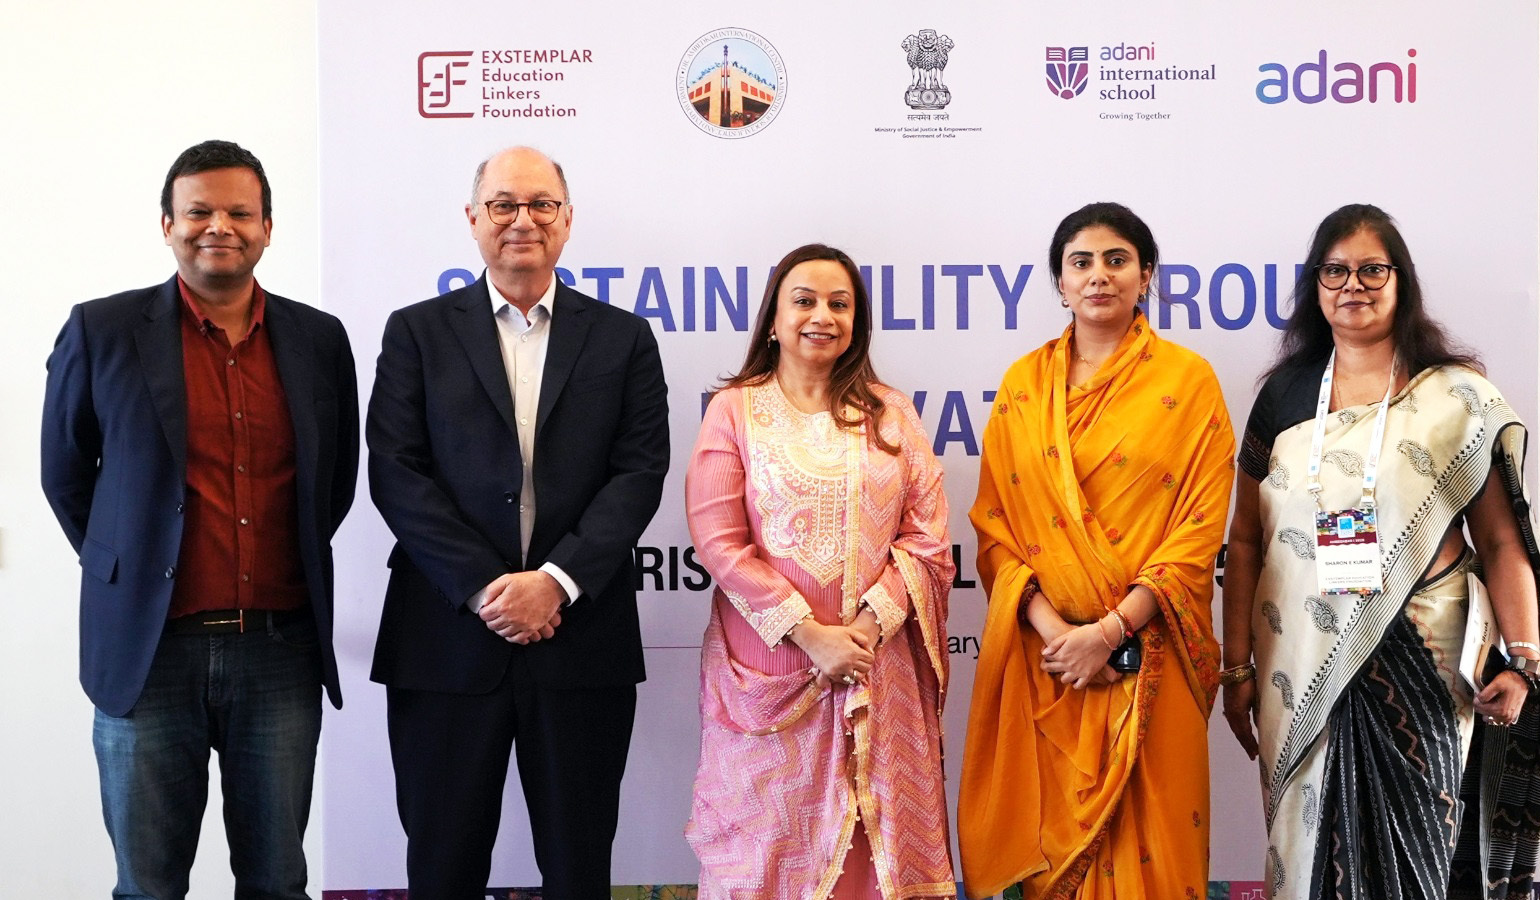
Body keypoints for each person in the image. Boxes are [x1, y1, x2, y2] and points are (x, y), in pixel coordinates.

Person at [40, 139, 360, 899]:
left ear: (268, 228)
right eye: (199, 211)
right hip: (149, 655)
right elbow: (65, 476)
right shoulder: (103, 330)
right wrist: (130, 568)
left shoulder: (319, 340)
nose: (219, 225)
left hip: (278, 650)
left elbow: (334, 482)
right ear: (167, 223)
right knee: (148, 886)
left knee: (278, 880)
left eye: (239, 212)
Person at [1220, 204, 1540, 899]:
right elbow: (1245, 541)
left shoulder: (1456, 396)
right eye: (1336, 270)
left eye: (1373, 269)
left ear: (1401, 281)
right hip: (1300, 669)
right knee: (1309, 856)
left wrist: (1523, 659)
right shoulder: (1283, 397)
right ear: (1316, 286)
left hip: (1426, 664)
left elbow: (1500, 538)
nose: (1354, 284)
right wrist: (1235, 668)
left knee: (1422, 858)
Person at [367, 146, 670, 899]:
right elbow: (396, 474)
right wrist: (488, 588)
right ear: (474, 221)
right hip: (444, 640)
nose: (522, 221)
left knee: (578, 867)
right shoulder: (416, 333)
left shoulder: (624, 339)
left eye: (540, 205)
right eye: (503, 205)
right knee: (442, 865)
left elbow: (639, 475)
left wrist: (557, 583)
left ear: (567, 221)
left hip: (580, 641)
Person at [958, 203, 1234, 899]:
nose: (1099, 275)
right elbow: (996, 530)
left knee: (1161, 855)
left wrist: (1111, 631)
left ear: (1146, 276)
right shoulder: (1024, 386)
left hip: (1153, 656)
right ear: (1059, 282)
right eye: (1081, 262)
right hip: (1050, 665)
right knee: (1054, 857)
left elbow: (1200, 530)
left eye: (1117, 260)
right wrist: (1061, 636)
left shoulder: (1188, 382)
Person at [684, 244, 956, 898]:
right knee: (766, 856)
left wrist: (863, 630)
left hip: (875, 673)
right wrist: (811, 635)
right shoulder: (736, 411)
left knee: (877, 857)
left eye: (840, 303)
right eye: (803, 300)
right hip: (771, 676)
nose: (822, 315)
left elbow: (928, 536)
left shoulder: (891, 413)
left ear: (857, 323)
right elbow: (720, 542)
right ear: (773, 320)